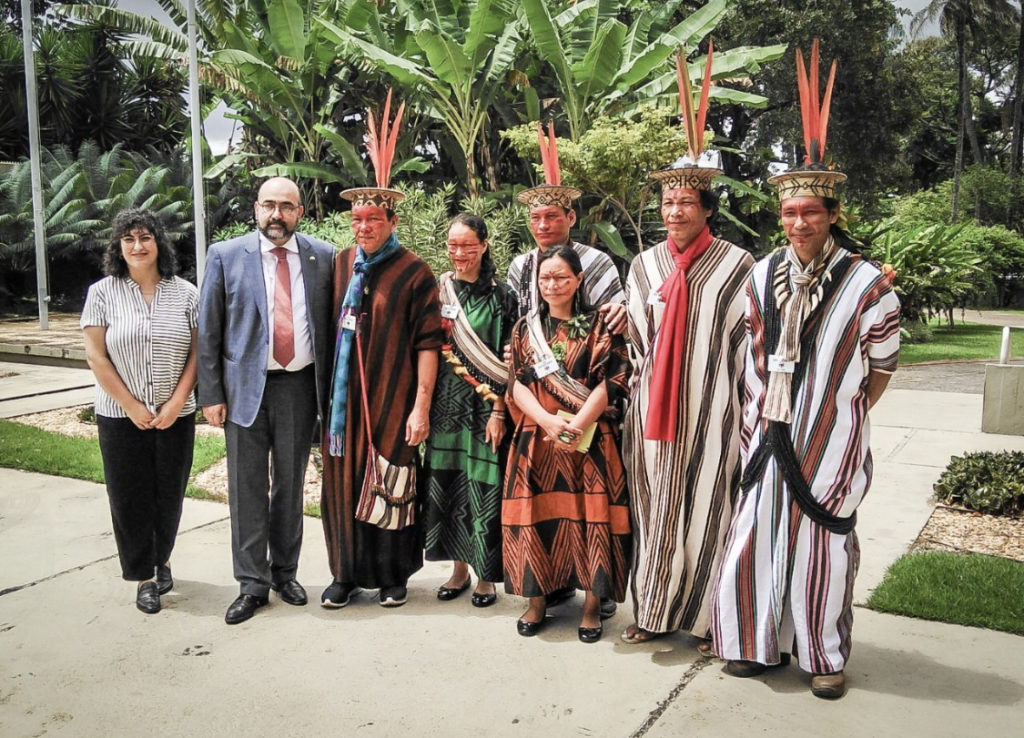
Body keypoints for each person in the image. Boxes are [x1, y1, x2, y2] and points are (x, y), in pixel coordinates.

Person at [711, 42, 901, 699]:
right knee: (756, 536)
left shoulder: (868, 284)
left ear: (832, 216)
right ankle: (755, 645)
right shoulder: (760, 273)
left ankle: (823, 656)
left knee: (823, 547)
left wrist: (841, 414)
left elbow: (881, 369)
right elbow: (751, 352)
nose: (799, 222)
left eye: (811, 213)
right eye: (790, 213)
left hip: (831, 438)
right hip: (766, 432)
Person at [622, 46, 756, 651]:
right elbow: (631, 345)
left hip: (714, 412)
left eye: (686, 203)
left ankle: (709, 621)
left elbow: (750, 349)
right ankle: (652, 610)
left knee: (712, 513)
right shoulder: (644, 265)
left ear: (707, 210)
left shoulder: (737, 266)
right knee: (654, 515)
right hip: (651, 416)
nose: (674, 211)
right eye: (667, 202)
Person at [319, 92, 444, 609]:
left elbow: (429, 343)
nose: (363, 227)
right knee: (343, 485)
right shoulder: (342, 263)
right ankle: (344, 573)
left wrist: (419, 408)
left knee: (392, 479)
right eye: (357, 219)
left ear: (391, 221)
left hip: (394, 401)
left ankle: (393, 575)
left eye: (373, 219)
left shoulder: (415, 272)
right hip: (345, 405)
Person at [198, 177, 335, 625]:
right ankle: (252, 584)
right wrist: (211, 394)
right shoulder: (224, 256)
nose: (277, 215)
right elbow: (209, 331)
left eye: (287, 207)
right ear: (256, 208)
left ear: (300, 211)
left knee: (291, 486)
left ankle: (285, 573)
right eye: (269, 206)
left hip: (298, 386)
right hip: (243, 391)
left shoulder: (323, 257)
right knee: (246, 487)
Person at [503, 245, 632, 643]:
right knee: (535, 517)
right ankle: (536, 600)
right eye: (545, 278)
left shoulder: (601, 327)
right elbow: (516, 383)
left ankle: (592, 607)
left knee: (591, 519)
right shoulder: (525, 328)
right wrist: (544, 420)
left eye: (561, 277)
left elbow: (612, 382)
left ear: (578, 280)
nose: (552, 285)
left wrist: (575, 425)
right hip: (536, 439)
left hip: (589, 440)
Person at [81, 208, 198, 615]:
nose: (137, 246)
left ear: (158, 243)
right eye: (128, 239)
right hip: (119, 415)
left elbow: (198, 353)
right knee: (129, 497)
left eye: (145, 237)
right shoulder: (102, 293)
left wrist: (178, 400)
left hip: (175, 414)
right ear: (118, 246)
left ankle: (161, 559)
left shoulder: (185, 293)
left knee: (169, 493)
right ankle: (144, 578)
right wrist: (130, 405)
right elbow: (96, 356)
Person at [422, 214, 517, 607]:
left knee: (483, 487)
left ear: (484, 244)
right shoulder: (439, 290)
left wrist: (499, 411)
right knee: (448, 485)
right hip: (445, 409)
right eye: (452, 246)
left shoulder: (502, 296)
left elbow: (511, 363)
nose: (459, 254)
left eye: (467, 245)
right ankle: (458, 569)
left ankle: (485, 576)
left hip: (483, 412)